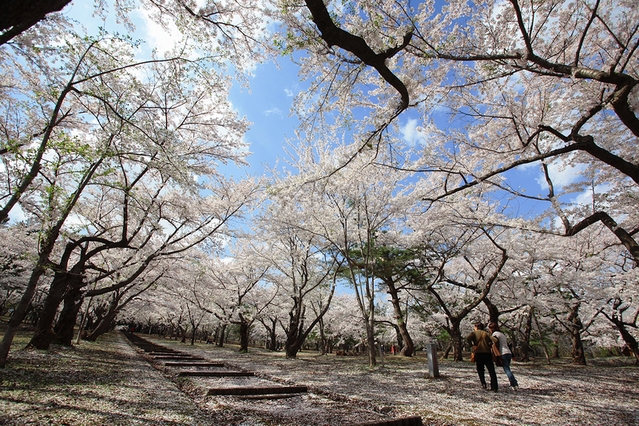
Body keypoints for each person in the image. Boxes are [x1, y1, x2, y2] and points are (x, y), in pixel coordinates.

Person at [466, 321, 499, 391]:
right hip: (487, 353)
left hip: (479, 354)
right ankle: (494, 387)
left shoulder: (474, 333)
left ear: (476, 327)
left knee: (480, 369)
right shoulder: (486, 333)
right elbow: (495, 340)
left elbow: (468, 338)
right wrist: (489, 344)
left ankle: (483, 383)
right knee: (491, 370)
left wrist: (472, 345)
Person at [489, 322, 519, 390]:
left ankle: (514, 384)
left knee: (507, 369)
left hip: (503, 353)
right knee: (507, 368)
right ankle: (514, 382)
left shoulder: (495, 334)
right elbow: (508, 345)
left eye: (490, 328)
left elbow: (495, 344)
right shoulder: (502, 334)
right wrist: (513, 355)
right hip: (508, 353)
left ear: (492, 328)